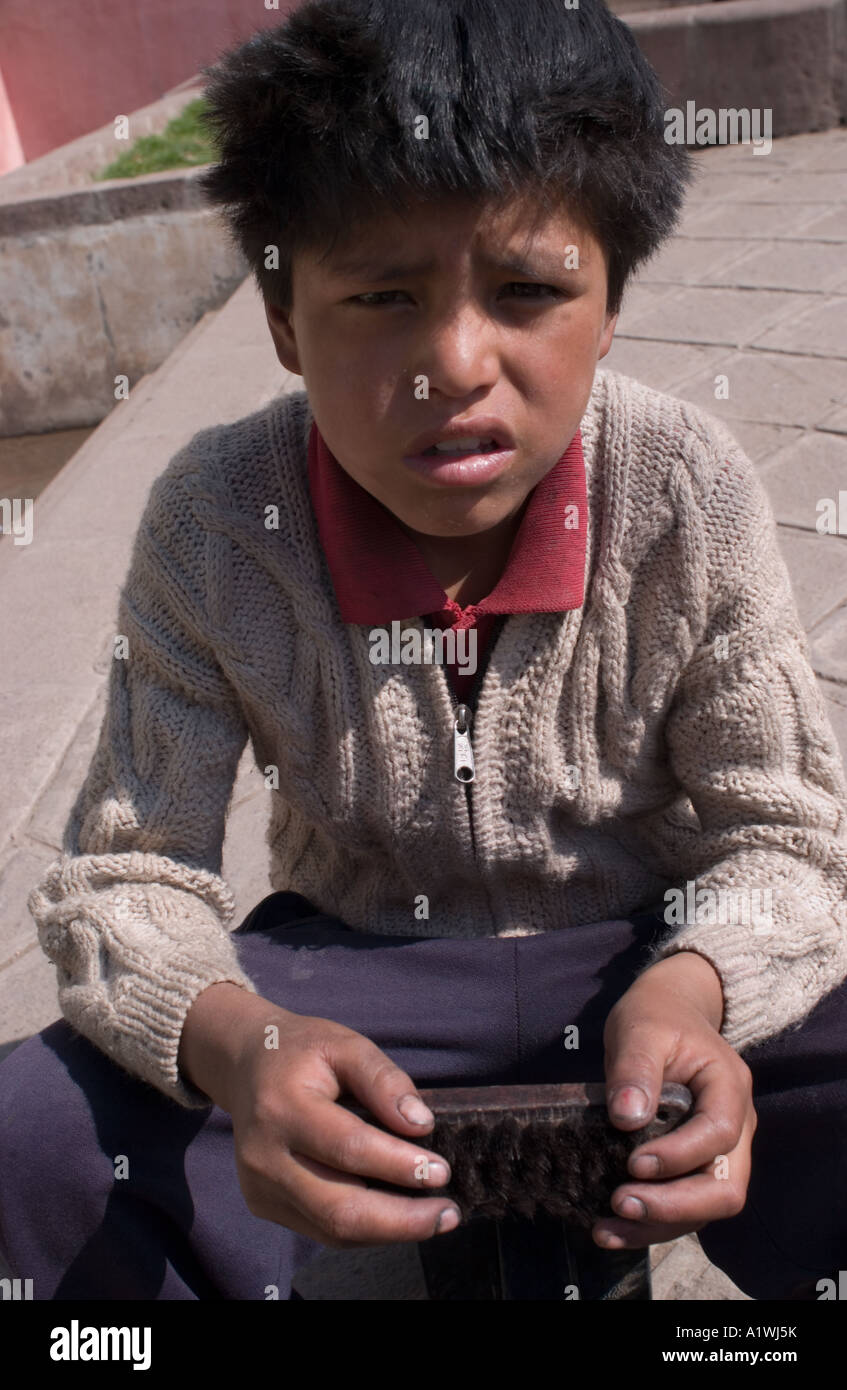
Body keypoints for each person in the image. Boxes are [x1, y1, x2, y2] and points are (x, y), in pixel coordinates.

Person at [1, 0, 845, 1302]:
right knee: (36, 1136)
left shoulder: (687, 488)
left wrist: (698, 985)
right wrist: (240, 1041)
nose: (456, 361)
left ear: (612, 301)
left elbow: (786, 836)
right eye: (381, 295)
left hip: (636, 963)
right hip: (347, 980)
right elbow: (127, 872)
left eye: (529, 292)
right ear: (283, 323)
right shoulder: (218, 518)